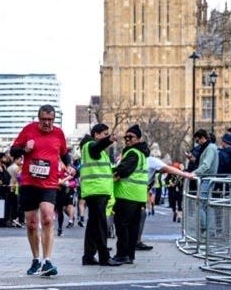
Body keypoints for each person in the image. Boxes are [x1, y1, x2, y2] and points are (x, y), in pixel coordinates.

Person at [10, 104, 70, 277]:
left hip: (49, 184)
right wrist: (25, 149)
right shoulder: (28, 130)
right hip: (29, 183)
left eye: (50, 120)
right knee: (31, 224)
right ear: (39, 118)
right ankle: (36, 259)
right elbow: (13, 151)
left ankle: (47, 260)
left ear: (54, 119)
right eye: (44, 120)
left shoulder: (58, 133)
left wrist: (69, 166)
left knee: (47, 218)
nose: (47, 123)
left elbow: (64, 154)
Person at [79, 123, 120, 266]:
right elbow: (96, 148)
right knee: (101, 225)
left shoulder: (96, 150)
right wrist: (109, 140)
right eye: (104, 134)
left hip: (96, 191)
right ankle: (104, 257)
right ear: (96, 134)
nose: (106, 137)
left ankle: (88, 256)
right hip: (96, 191)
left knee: (93, 225)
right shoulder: (90, 145)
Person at [111, 124, 150, 265]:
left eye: (131, 137)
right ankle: (130, 255)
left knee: (122, 226)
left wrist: (112, 171)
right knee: (133, 227)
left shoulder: (133, 152)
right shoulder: (142, 153)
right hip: (138, 196)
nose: (127, 139)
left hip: (127, 194)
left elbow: (123, 170)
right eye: (125, 137)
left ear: (138, 138)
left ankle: (122, 255)